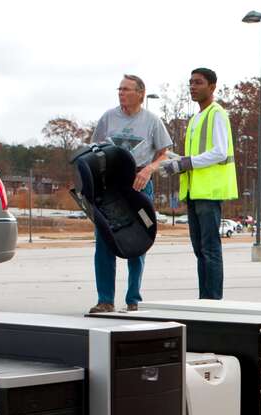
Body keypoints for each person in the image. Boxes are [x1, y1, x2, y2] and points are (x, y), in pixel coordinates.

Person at [89, 74, 172, 313]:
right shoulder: (108, 118)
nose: (121, 93)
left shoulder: (152, 121)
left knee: (138, 240)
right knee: (104, 241)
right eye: (120, 89)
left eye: (126, 89)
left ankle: (134, 298)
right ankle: (105, 299)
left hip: (139, 185)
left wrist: (149, 169)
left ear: (141, 94)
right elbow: (94, 148)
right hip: (110, 188)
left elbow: (164, 154)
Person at [164, 68, 238, 300]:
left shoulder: (217, 114)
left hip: (209, 192)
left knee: (210, 250)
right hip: (194, 192)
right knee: (200, 250)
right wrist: (176, 161)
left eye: (198, 82)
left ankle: (213, 301)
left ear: (212, 86)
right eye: (190, 83)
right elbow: (197, 156)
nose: (193, 87)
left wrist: (187, 163)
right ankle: (204, 299)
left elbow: (218, 152)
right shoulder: (195, 118)